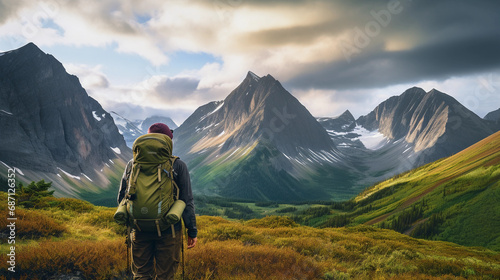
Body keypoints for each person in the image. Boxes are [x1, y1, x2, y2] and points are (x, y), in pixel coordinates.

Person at [117, 123, 197, 280]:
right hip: (169, 229)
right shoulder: (178, 165)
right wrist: (191, 230)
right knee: (165, 276)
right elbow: (186, 200)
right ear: (168, 143)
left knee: (141, 275)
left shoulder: (132, 165)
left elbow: (122, 197)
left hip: (139, 229)